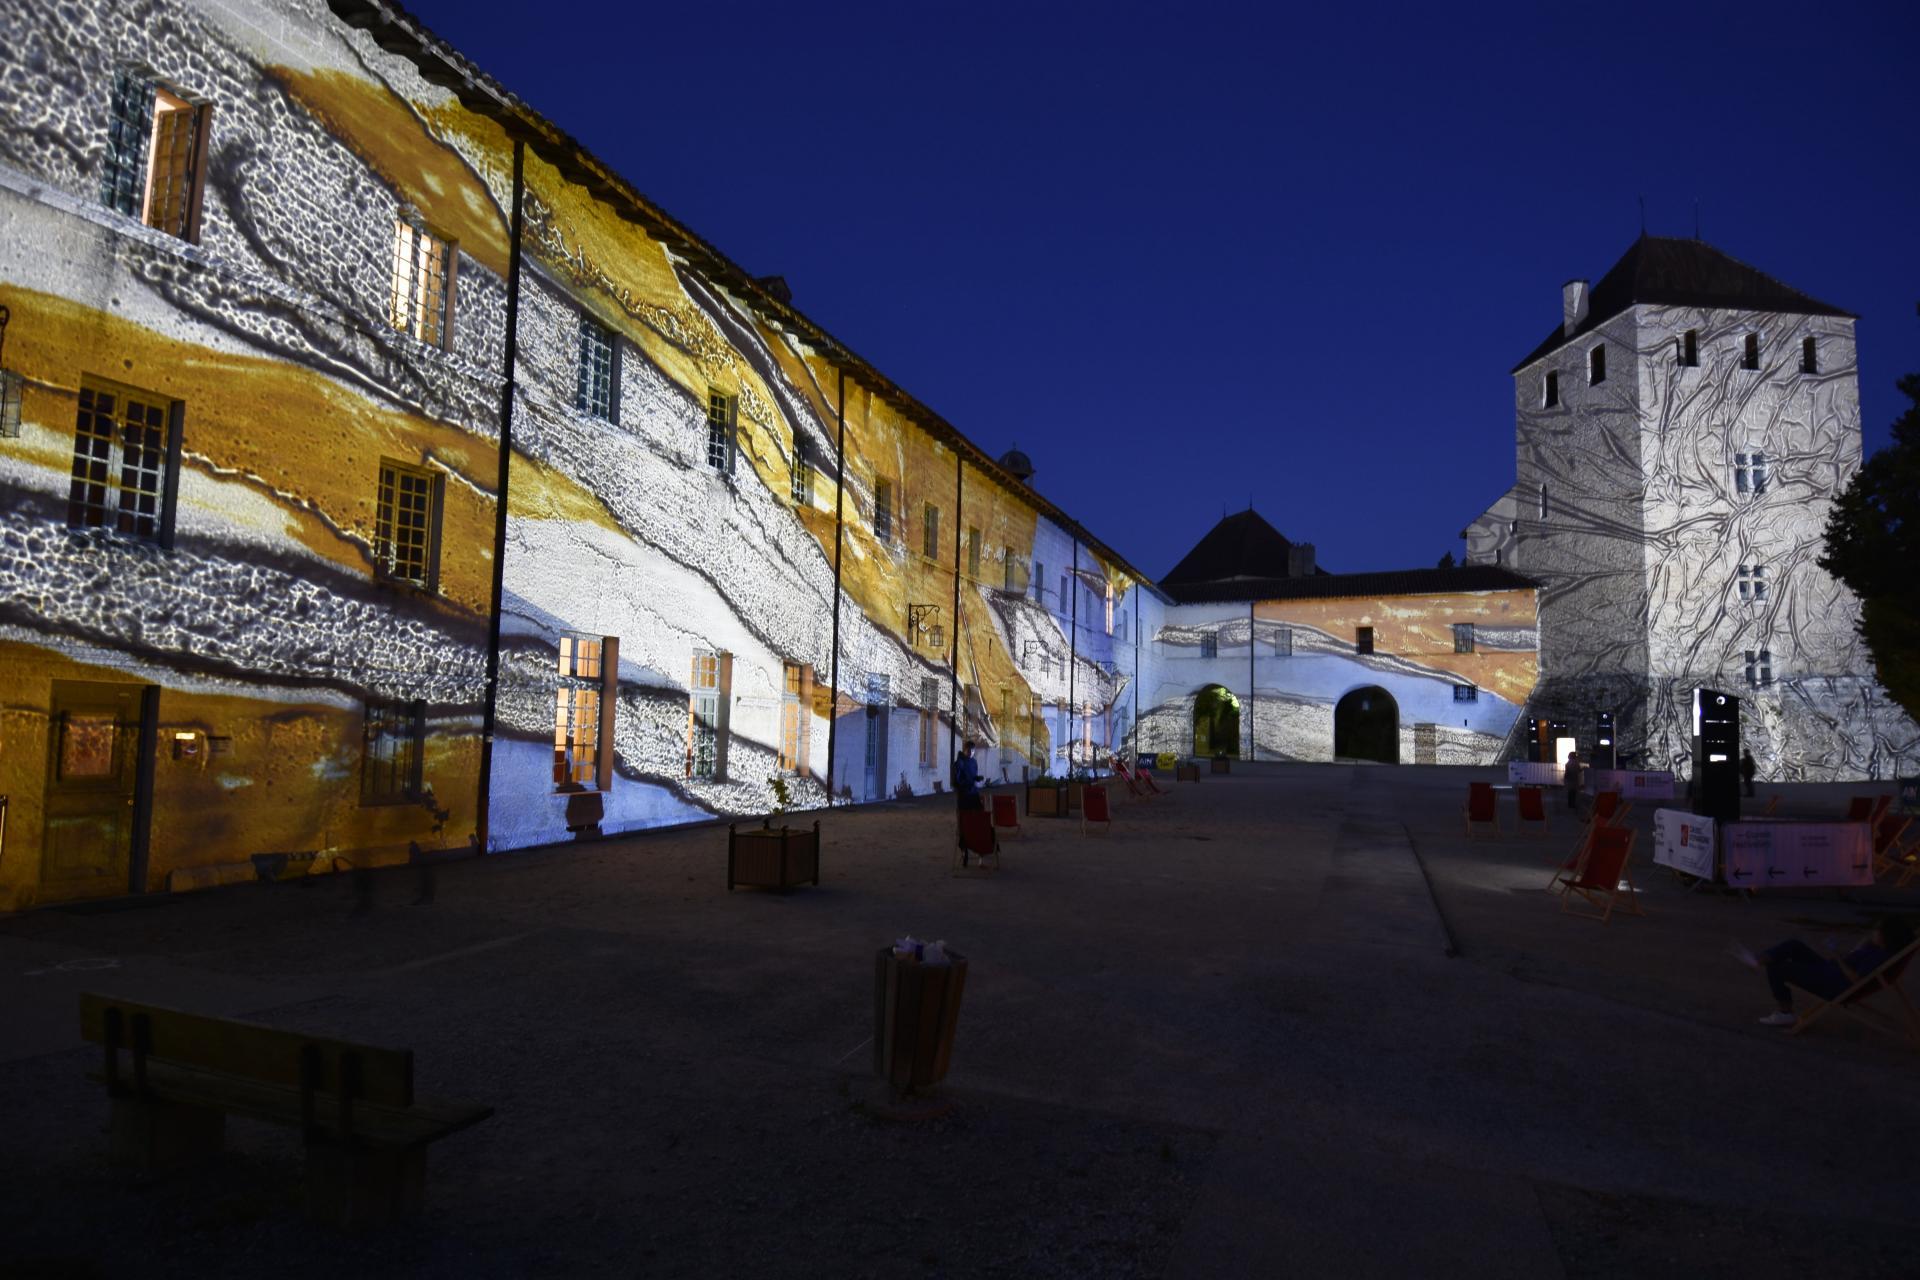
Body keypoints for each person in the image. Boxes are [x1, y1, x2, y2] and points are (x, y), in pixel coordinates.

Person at [1732, 916, 1915, 1027]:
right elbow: (1854, 956)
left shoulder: (1879, 957)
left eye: (1877, 930)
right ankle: (1757, 960)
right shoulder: (1877, 949)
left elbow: (1855, 978)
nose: (1873, 931)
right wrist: (1864, 943)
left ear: (1887, 936)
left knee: (1779, 968)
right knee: (1794, 945)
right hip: (1831, 972)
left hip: (1834, 984)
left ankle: (1785, 1013)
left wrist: (1836, 955)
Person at [951, 739, 983, 811]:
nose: (971, 753)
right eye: (969, 750)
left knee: (978, 811)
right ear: (965, 750)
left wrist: (977, 778)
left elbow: (972, 775)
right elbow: (956, 780)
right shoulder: (959, 763)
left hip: (973, 791)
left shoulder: (974, 762)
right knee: (966, 815)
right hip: (964, 793)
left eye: (972, 751)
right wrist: (963, 786)